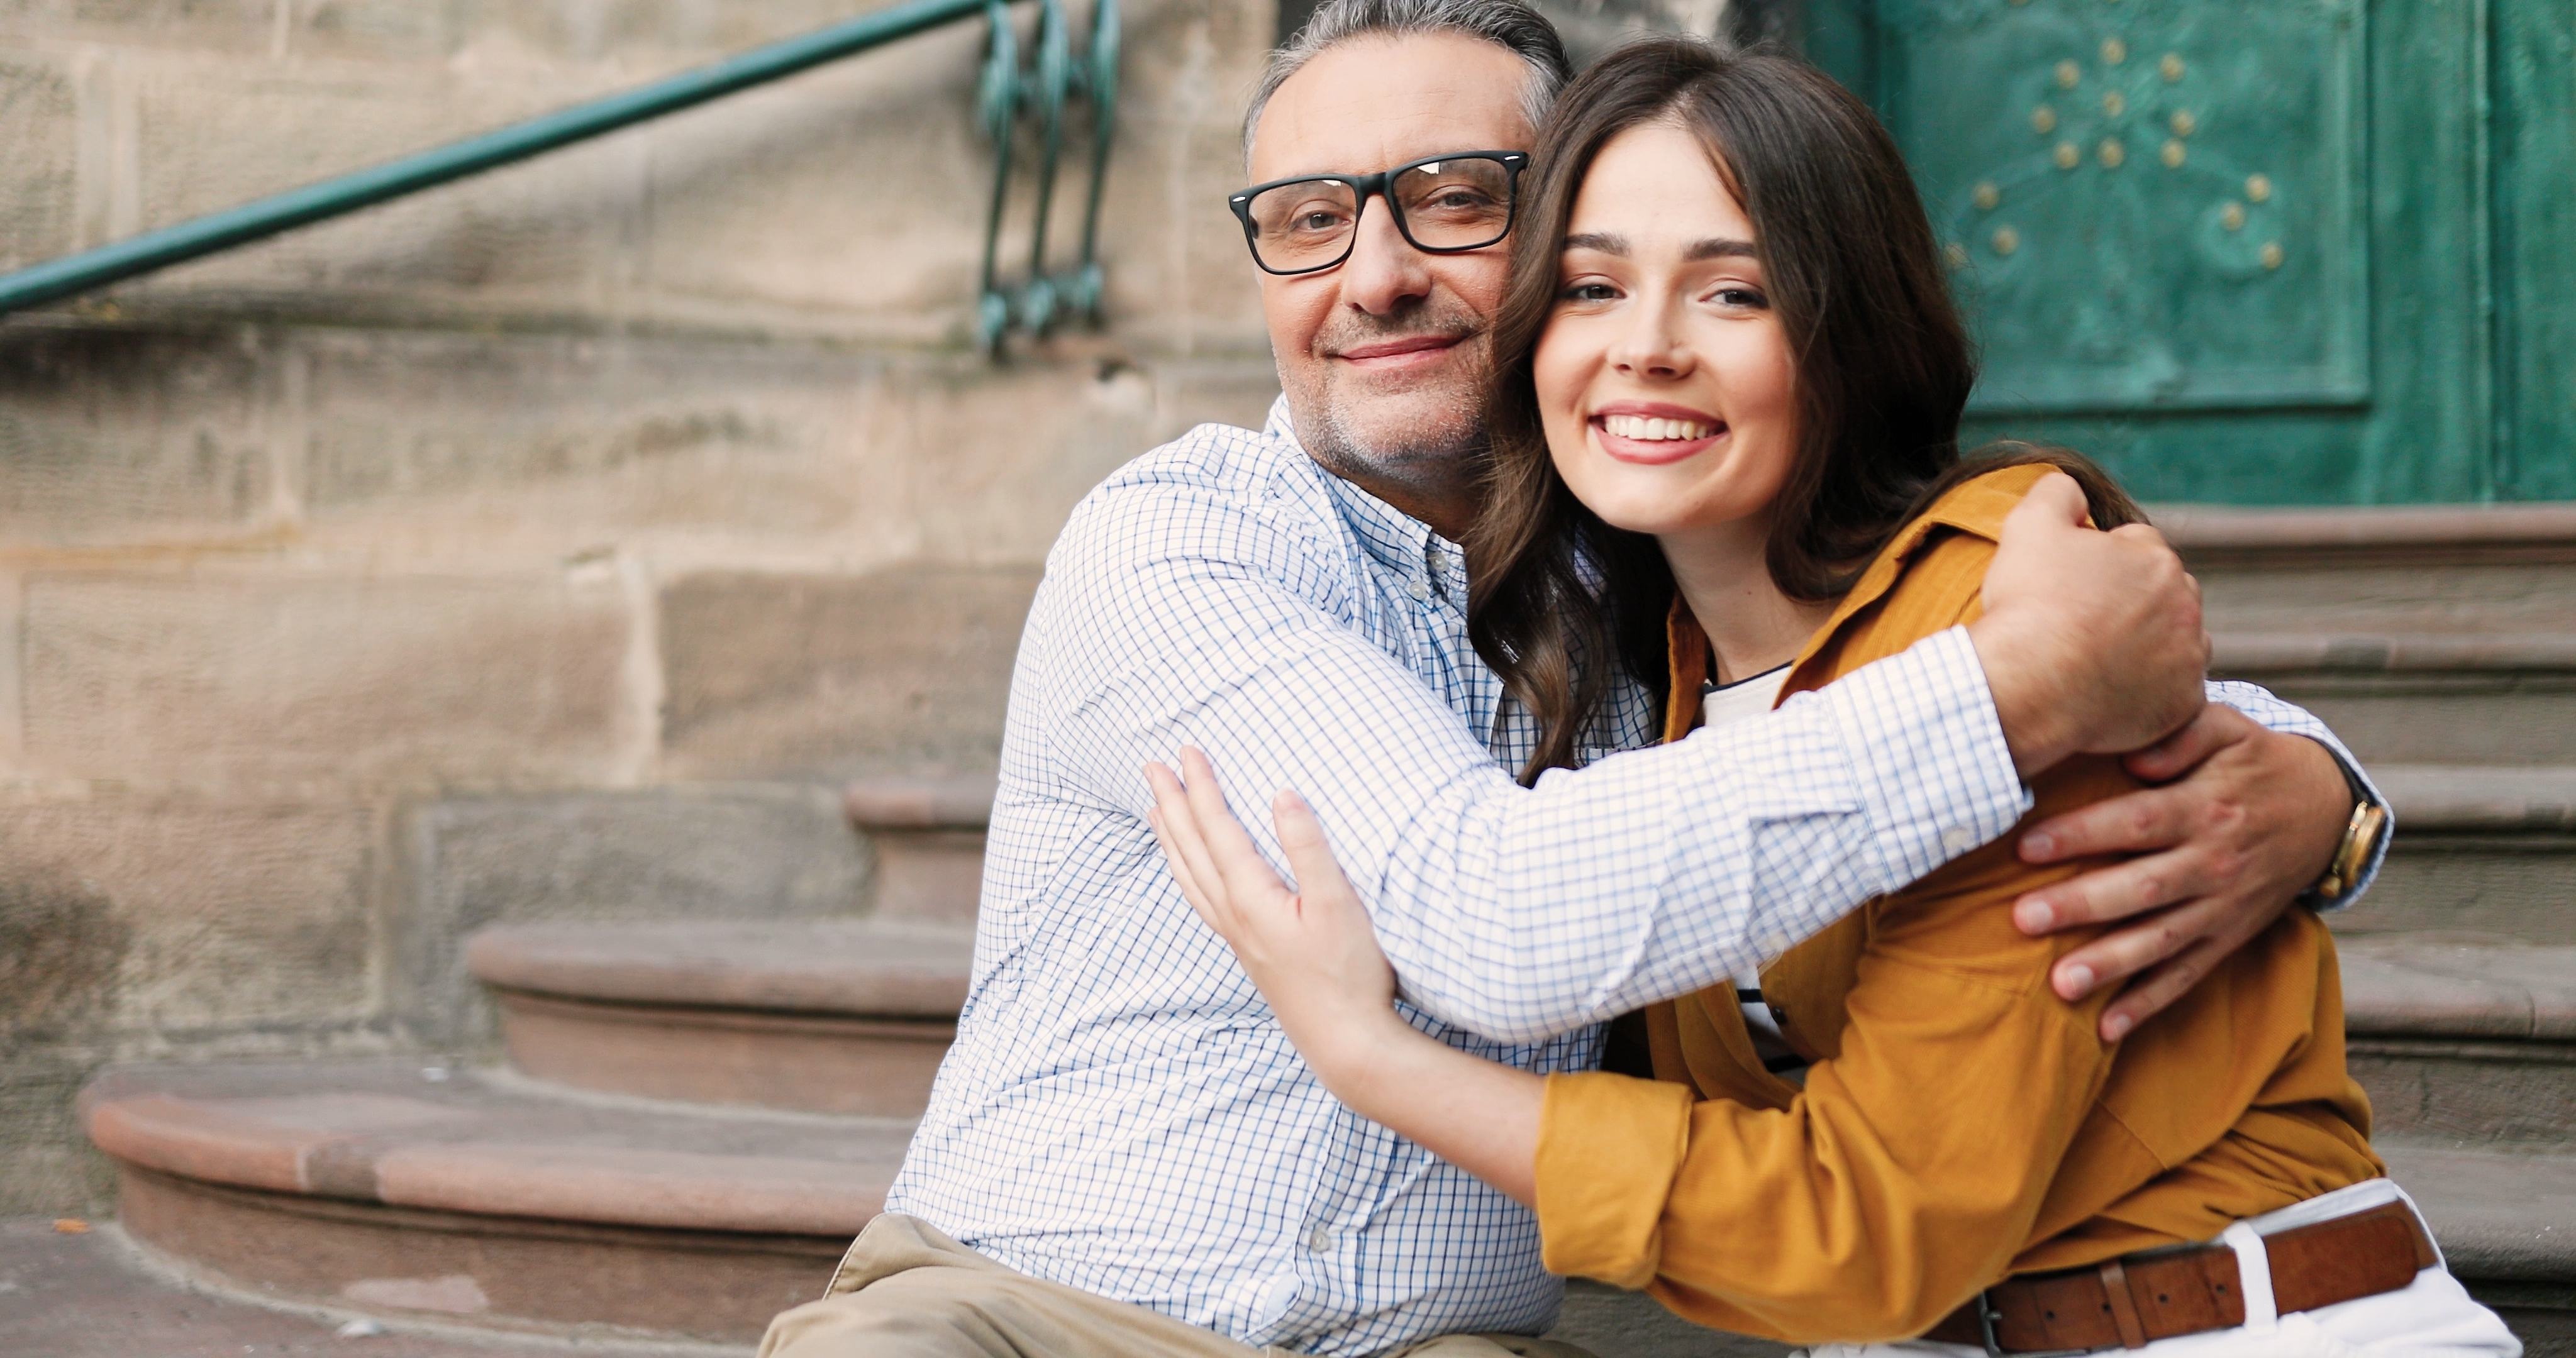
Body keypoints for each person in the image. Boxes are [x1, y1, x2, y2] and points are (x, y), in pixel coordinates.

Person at [757, 3, 2387, 1355]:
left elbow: (1890, 615)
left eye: (1456, 196)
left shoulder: (1660, 584)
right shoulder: (1180, 545)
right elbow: (1487, 914)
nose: (1375, 273)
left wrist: (2305, 779)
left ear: (1567, 255)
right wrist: (2023, 690)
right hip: (1023, 1321)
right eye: (1311, 218)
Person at [1143, 38, 2513, 1358]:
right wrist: (2317, 778)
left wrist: (1369, 1058)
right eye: (1590, 288)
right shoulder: (1641, 668)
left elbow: (1864, 1228)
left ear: (1847, 337)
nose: (1647, 348)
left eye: (1733, 293)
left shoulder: (2005, 603)